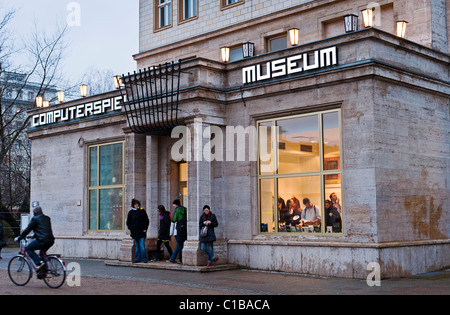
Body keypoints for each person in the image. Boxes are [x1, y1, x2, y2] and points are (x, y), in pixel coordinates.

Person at [14, 207, 55, 271]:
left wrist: (19, 238)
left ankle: (39, 263)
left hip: (42, 240)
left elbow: (27, 229)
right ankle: (44, 270)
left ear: (35, 213)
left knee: (28, 248)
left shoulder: (35, 219)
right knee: (42, 253)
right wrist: (34, 235)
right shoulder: (47, 218)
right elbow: (44, 229)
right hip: (51, 240)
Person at [126, 199, 149, 263]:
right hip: (134, 232)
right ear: (133, 205)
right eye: (135, 204)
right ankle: (138, 258)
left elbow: (146, 221)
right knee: (137, 246)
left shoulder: (142, 211)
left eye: (137, 204)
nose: (136, 205)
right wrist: (131, 228)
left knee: (141, 245)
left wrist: (145, 228)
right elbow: (128, 222)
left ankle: (144, 258)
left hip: (141, 231)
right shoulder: (131, 212)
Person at [168, 199, 187, 264]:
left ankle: (180, 259)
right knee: (180, 244)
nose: (173, 205)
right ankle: (173, 258)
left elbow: (174, 219)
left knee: (180, 245)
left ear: (176, 204)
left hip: (179, 229)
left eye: (173, 204)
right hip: (185, 229)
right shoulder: (185, 209)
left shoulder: (177, 210)